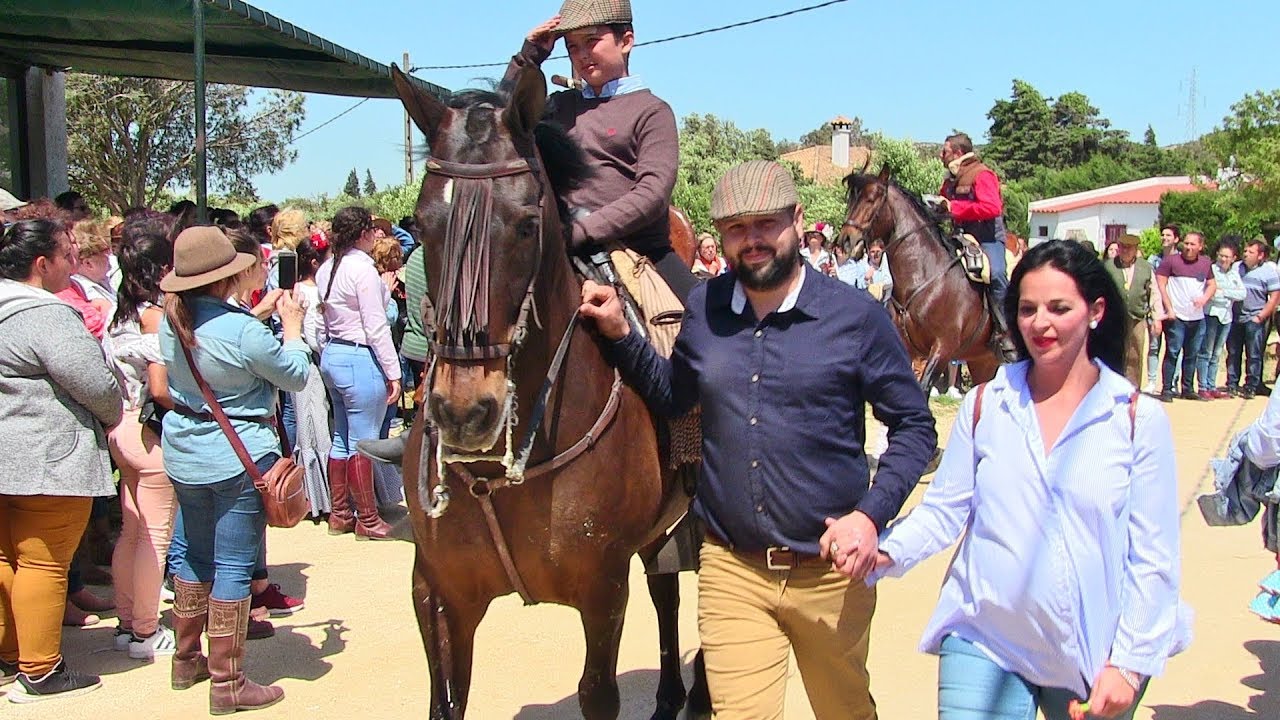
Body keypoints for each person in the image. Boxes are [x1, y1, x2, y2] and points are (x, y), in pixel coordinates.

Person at [578, 160, 938, 719]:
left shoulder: (856, 318)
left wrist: (870, 516)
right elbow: (676, 400)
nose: (752, 240)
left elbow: (915, 427)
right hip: (732, 569)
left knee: (846, 712)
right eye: (736, 228)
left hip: (829, 574)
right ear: (720, 235)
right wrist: (624, 335)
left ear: (797, 220)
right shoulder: (704, 307)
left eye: (766, 223)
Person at [869, 239, 1187, 720]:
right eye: (1028, 309)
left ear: (1095, 311)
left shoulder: (1137, 420)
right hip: (985, 634)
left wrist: (1130, 664)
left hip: (1093, 649)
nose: (1041, 323)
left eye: (1059, 308)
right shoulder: (986, 405)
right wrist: (883, 549)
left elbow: (1153, 557)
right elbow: (945, 509)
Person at [158, 225, 309, 714]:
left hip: (185, 450)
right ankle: (229, 682)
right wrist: (292, 331)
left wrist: (257, 317)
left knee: (195, 555)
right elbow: (295, 373)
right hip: (238, 452)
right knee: (234, 566)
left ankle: (187, 659)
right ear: (228, 276)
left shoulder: (171, 320)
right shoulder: (241, 330)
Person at [0, 218, 123, 702]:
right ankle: (41, 669)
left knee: (9, 559)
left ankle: (12, 655)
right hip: (47, 460)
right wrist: (112, 410)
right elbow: (95, 385)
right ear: (41, 263)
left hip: (11, 458)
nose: (74, 262)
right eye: (66, 254)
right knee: (43, 564)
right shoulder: (44, 314)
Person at [509, 0, 694, 303]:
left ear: (626, 41)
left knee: (706, 325)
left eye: (591, 41)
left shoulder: (653, 111)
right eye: (571, 47)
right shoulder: (557, 106)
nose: (581, 55)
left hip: (639, 251)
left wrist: (579, 231)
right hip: (560, 247)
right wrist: (529, 58)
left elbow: (652, 194)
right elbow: (502, 122)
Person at [107, 224, 180, 661]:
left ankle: (127, 620)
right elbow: (159, 387)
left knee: (131, 532)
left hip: (121, 425)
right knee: (155, 537)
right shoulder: (154, 316)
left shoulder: (122, 314)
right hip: (148, 432)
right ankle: (145, 631)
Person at [315, 207, 400, 539]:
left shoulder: (327, 268)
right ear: (364, 233)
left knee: (342, 438)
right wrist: (393, 372)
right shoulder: (362, 270)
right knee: (363, 441)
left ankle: (341, 513)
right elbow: (376, 326)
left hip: (334, 354)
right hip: (358, 355)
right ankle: (367, 517)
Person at [938, 132, 1015, 356]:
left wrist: (954, 208)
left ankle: (1006, 331)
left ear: (958, 153)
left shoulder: (983, 175)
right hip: (959, 237)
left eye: (945, 151)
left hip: (987, 238)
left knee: (997, 274)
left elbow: (992, 208)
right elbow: (947, 206)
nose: (941, 155)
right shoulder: (950, 181)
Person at [1155, 231, 1215, 402]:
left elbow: (1212, 284)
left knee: (1192, 353)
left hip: (1197, 318)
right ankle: (1167, 389)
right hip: (1177, 316)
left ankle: (1187, 388)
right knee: (1172, 352)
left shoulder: (1205, 263)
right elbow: (1160, 282)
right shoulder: (1171, 261)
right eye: (1186, 243)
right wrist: (1168, 309)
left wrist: (1204, 298)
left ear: (1200, 246)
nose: (1188, 247)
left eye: (1192, 244)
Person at [1102, 233, 1162, 388]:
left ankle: (1133, 388)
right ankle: (1112, 386)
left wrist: (1157, 318)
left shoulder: (1146, 267)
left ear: (1136, 249)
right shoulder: (1108, 266)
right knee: (1113, 351)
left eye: (1129, 248)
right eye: (1122, 247)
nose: (1125, 251)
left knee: (1135, 354)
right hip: (1113, 318)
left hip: (1137, 318)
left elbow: (1154, 292)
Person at [1226, 238, 1280, 399]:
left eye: (1251, 252)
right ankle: (1232, 383)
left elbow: (1274, 297)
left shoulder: (1269, 272)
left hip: (1255, 317)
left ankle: (1252, 385)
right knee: (1234, 352)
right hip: (1235, 317)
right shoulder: (1236, 268)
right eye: (1245, 251)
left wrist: (1261, 316)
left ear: (1261, 255)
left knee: (1254, 354)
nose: (1246, 255)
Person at [1197, 240, 1246, 399]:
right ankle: (1203, 386)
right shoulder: (1211, 269)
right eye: (1221, 255)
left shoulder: (1234, 273)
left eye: (1227, 256)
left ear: (1233, 258)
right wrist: (1222, 293)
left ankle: (1212, 385)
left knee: (1217, 353)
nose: (1223, 259)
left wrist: (1223, 291)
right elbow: (1210, 294)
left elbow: (1242, 294)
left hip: (1226, 317)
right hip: (1211, 314)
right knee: (1206, 352)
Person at [1145, 224, 1181, 392]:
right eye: (1163, 235)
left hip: (1175, 309)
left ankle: (1172, 382)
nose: (1164, 238)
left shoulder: (1182, 260)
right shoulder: (1153, 260)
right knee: (1153, 346)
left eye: (1168, 235)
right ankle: (1152, 381)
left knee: (1174, 348)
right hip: (1156, 310)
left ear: (1176, 239)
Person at [848, 236, 893, 305]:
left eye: (878, 252)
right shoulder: (862, 265)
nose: (876, 255)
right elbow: (859, 286)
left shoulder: (885, 266)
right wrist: (866, 279)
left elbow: (889, 282)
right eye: (873, 252)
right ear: (868, 253)